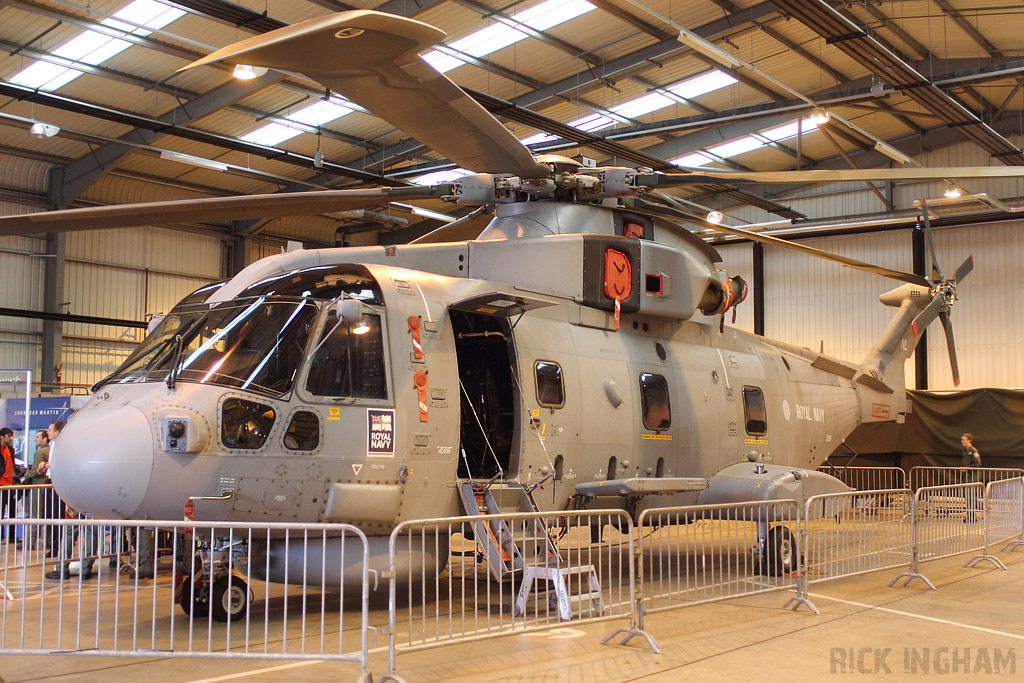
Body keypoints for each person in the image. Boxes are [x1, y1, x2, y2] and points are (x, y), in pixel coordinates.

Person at [45, 420, 97, 580]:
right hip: (92, 492)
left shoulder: (67, 446)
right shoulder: (91, 444)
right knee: (90, 531)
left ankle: (62, 567)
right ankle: (86, 568)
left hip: (75, 494)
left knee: (70, 530)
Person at [25, 429, 51, 551]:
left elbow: (36, 471)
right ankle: (48, 542)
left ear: (45, 439)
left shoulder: (39, 453)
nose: (35, 439)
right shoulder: (51, 450)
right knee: (47, 515)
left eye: (37, 437)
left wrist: (27, 474)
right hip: (47, 485)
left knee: (34, 513)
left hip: (37, 485)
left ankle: (30, 543)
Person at [1, 427, 17, 543]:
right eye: (8, 436)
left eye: (12, 436)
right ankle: (1, 536)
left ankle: (11, 536)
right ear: (1, 437)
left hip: (10, 484)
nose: (11, 438)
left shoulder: (11, 449)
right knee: (1, 512)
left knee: (12, 512)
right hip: (1, 485)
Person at [960, 432, 982, 522]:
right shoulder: (964, 451)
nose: (962, 441)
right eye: (961, 440)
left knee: (971, 496)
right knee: (968, 496)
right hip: (968, 476)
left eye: (963, 440)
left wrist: (967, 468)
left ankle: (973, 516)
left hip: (974, 476)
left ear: (969, 441)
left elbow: (978, 463)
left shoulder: (973, 451)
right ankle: (971, 514)